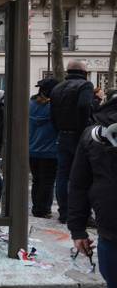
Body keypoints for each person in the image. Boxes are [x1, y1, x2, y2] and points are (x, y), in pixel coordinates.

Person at [68, 89, 117, 288]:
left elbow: (78, 184)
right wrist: (77, 229)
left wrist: (78, 229)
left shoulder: (93, 133)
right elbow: (79, 184)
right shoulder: (94, 134)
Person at [50, 59, 94, 223]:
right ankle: (83, 215)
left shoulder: (57, 87)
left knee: (62, 176)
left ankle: (64, 213)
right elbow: (84, 106)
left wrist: (59, 129)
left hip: (62, 135)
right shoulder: (85, 85)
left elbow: (52, 114)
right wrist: (84, 131)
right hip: (79, 136)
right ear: (83, 72)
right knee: (83, 176)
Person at [29, 79, 59, 219]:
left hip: (32, 149)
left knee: (37, 180)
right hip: (50, 150)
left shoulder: (30, 105)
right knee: (48, 181)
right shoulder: (54, 107)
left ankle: (36, 208)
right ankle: (44, 209)